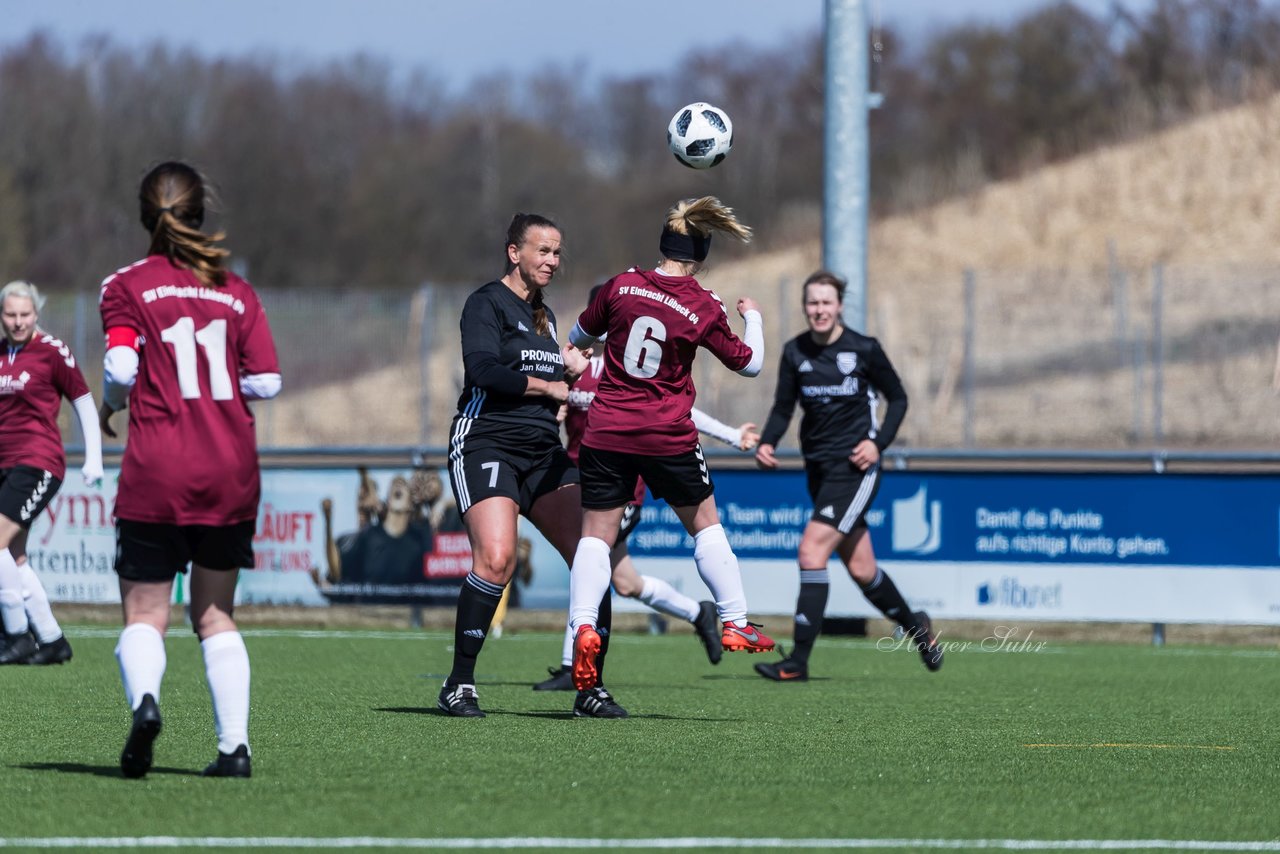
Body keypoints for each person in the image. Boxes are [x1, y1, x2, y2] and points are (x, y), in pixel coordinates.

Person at [98, 161, 281, 778]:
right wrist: (219, 394)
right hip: (230, 467)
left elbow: (122, 371)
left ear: (145, 216)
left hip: (158, 466)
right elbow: (268, 380)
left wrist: (110, 405)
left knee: (146, 614)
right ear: (201, 213)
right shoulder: (235, 289)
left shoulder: (125, 285)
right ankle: (234, 748)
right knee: (213, 614)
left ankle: (146, 702)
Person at [564, 196, 776, 709]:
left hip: (606, 429)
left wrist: (586, 349)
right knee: (705, 523)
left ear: (662, 244)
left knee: (596, 534)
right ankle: (734, 621)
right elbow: (749, 365)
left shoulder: (621, 284)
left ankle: (583, 630)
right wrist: (754, 318)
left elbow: (576, 338)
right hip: (667, 433)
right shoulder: (703, 306)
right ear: (700, 254)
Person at [533, 296, 761, 691]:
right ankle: (698, 613)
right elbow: (551, 408)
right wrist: (558, 400)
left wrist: (731, 435)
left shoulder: (627, 369)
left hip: (624, 491)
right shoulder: (576, 366)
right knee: (625, 582)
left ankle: (574, 664)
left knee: (587, 554)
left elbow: (680, 412)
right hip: (581, 480)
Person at [437, 212, 604, 719]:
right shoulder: (485, 303)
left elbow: (559, 385)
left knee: (592, 556)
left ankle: (590, 689)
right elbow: (483, 370)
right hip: (485, 442)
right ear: (515, 253)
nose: (552, 261)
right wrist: (550, 385)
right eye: (543, 251)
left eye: (557, 253)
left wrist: (570, 369)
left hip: (542, 453)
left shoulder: (548, 319)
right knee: (496, 560)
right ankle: (458, 685)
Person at [752, 270, 942, 682]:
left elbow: (899, 397)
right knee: (862, 570)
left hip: (856, 469)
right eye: (812, 303)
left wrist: (878, 443)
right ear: (805, 307)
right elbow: (784, 408)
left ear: (839, 306)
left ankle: (797, 661)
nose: (819, 310)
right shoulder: (794, 352)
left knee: (811, 553)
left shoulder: (864, 349)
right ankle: (918, 627)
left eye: (826, 302)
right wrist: (767, 442)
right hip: (818, 470)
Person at [0, 280, 103, 665]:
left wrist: (93, 457)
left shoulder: (52, 351)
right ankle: (51, 639)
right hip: (4, 464)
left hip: (38, 461)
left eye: (25, 314)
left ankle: (15, 635)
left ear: (36, 314)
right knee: (14, 554)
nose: (18, 321)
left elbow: (83, 400)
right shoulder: (1, 352)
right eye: (10, 314)